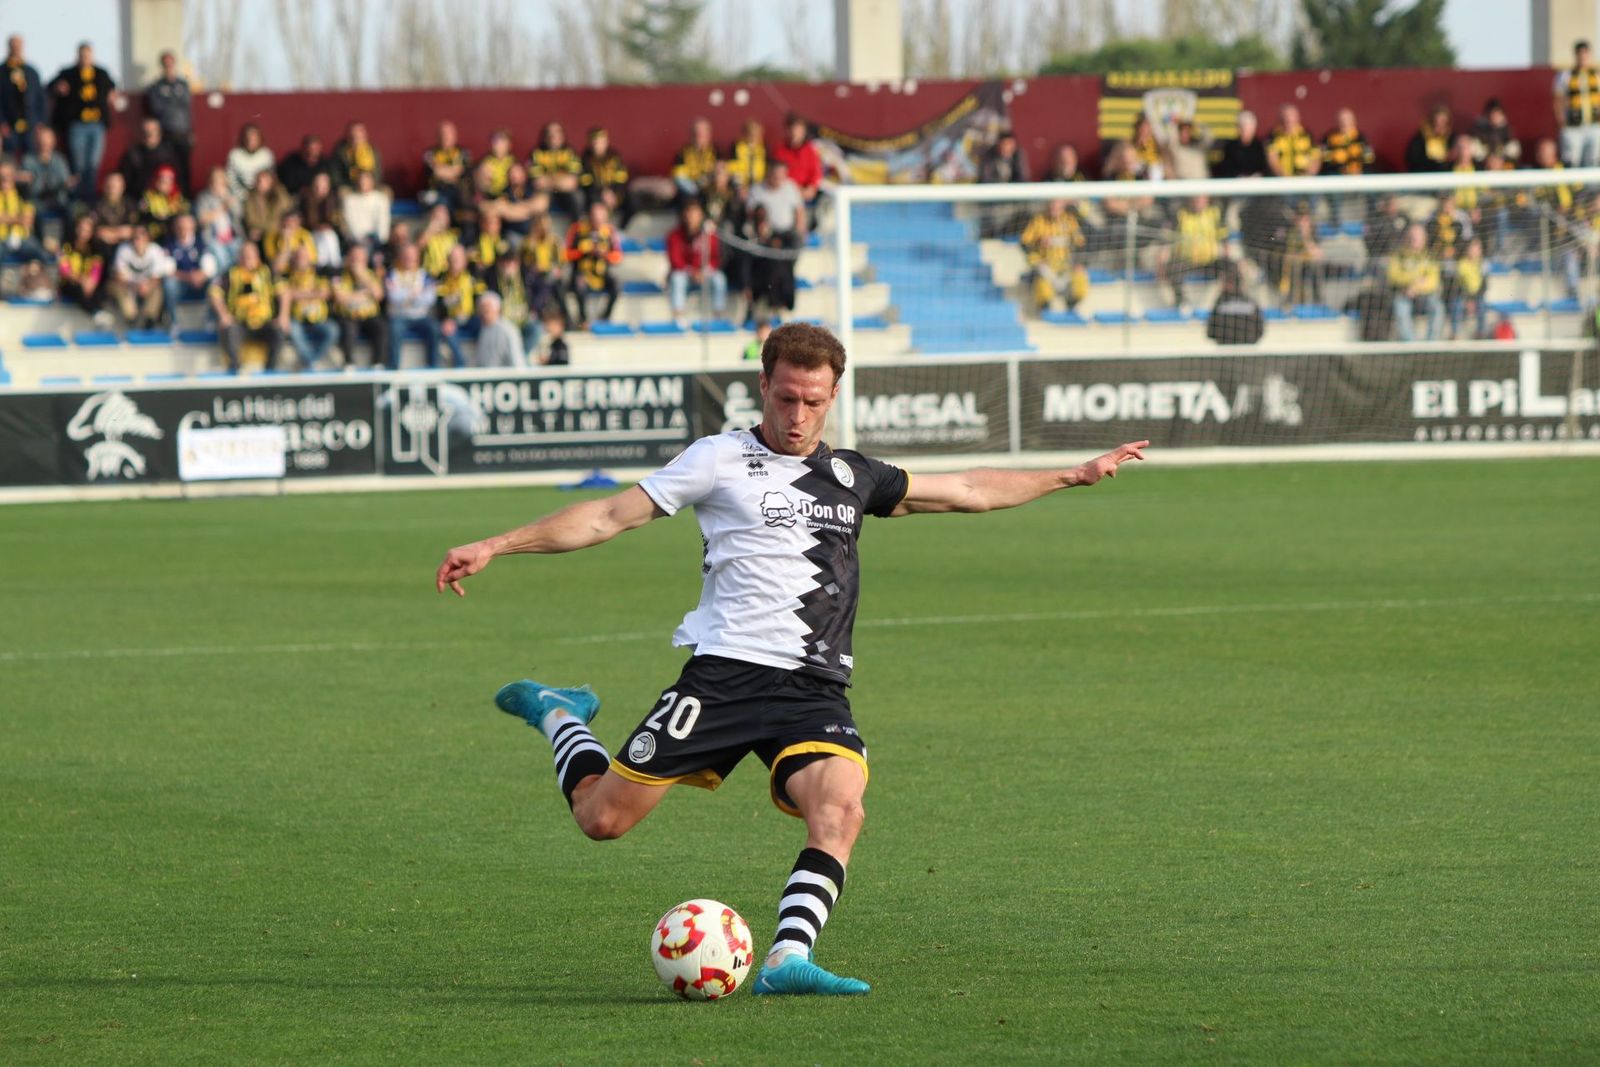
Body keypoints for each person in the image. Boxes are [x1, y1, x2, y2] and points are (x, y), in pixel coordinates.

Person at [431, 322, 1148, 997]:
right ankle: (560, 711)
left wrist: (1072, 474)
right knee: (600, 819)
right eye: (784, 398)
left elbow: (965, 489)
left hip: (813, 687)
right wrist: (498, 543)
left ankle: (787, 957)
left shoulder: (853, 475)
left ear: (833, 395)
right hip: (722, 676)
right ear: (763, 387)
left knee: (841, 807)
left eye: (812, 400)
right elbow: (606, 516)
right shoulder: (718, 458)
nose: (797, 415)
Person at [50, 42, 118, 203]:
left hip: (97, 125)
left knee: (93, 163)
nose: (85, 58)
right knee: (79, 163)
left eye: (88, 55)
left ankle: (90, 197)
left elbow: (112, 87)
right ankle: (78, 197)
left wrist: (112, 94)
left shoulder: (101, 73)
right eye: (82, 55)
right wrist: (58, 88)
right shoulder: (68, 73)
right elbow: (51, 86)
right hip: (77, 124)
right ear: (78, 56)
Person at [208, 241, 281, 371]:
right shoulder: (230, 273)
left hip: (264, 323)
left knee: (279, 330)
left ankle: (271, 369)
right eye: (244, 255)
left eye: (250, 256)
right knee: (228, 329)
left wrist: (283, 316)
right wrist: (223, 315)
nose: (247, 259)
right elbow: (214, 292)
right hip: (240, 323)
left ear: (257, 256)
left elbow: (284, 292)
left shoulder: (267, 272)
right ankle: (235, 369)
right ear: (239, 257)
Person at [1155, 195, 1227, 310]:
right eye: (1195, 198)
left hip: (1209, 261)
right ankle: (1181, 301)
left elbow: (1224, 240)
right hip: (1187, 261)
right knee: (1173, 268)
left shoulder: (1215, 213)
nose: (1197, 201)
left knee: (1232, 266)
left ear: (1207, 199)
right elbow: (1168, 240)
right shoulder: (1180, 214)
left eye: (1201, 198)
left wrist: (1230, 258)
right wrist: (1161, 263)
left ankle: (1229, 300)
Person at [1019, 198, 1088, 314]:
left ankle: (1071, 305)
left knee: (1080, 277)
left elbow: (1080, 243)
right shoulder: (1038, 221)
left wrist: (1079, 263)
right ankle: (1045, 309)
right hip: (1044, 264)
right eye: (1051, 207)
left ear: (1063, 208)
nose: (1054, 211)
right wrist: (1038, 244)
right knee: (1042, 282)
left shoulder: (1069, 220)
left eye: (1057, 208)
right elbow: (1024, 243)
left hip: (1065, 264)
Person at [666, 199, 726, 327]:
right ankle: (677, 318)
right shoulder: (674, 235)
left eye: (694, 213)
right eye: (688, 213)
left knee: (719, 279)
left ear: (701, 215)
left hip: (704, 274)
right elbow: (675, 260)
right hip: (686, 274)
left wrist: (704, 272)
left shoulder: (709, 234)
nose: (691, 217)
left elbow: (715, 258)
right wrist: (692, 272)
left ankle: (718, 319)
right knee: (677, 279)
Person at [563, 200, 622, 327]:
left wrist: (604, 254)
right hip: (582, 271)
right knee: (579, 283)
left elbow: (618, 257)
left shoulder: (610, 231)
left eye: (600, 217)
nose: (597, 220)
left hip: (601, 272)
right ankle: (583, 319)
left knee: (617, 285)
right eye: (594, 216)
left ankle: (605, 317)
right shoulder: (577, 229)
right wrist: (582, 251)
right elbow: (566, 255)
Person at [277, 245, 337, 369]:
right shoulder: (287, 274)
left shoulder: (319, 273)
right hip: (298, 319)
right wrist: (312, 293)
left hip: (318, 319)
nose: (301, 258)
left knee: (333, 330)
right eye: (298, 255)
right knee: (293, 331)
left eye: (304, 255)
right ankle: (311, 363)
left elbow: (325, 293)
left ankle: (311, 361)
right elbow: (285, 294)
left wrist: (296, 293)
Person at [385, 243, 440, 369]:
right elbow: (393, 298)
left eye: (412, 256)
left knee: (434, 329)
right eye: (406, 256)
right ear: (400, 257)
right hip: (399, 316)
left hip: (421, 316)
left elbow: (430, 299)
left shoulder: (425, 275)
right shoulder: (392, 274)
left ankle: (433, 367)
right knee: (394, 330)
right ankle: (393, 368)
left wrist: (405, 295)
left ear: (417, 258)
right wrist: (416, 293)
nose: (409, 259)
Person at [331, 243, 387, 367]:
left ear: (365, 259)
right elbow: (340, 298)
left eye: (359, 257)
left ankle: (378, 363)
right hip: (348, 315)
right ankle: (349, 363)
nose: (356, 261)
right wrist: (365, 294)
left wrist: (362, 276)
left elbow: (378, 295)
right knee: (348, 329)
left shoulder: (371, 274)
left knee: (381, 328)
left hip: (369, 315)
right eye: (353, 257)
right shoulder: (339, 275)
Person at [109, 224, 174, 330]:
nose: (138, 241)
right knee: (119, 289)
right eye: (135, 237)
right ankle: (131, 319)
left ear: (148, 238)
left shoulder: (155, 250)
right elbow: (120, 276)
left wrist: (146, 286)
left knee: (158, 290)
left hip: (148, 286)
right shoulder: (123, 249)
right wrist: (135, 285)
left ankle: (149, 319)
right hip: (128, 285)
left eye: (142, 237)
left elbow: (157, 277)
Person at [143, 51, 192, 190]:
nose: (169, 67)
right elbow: (157, 108)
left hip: (182, 133)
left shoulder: (183, 85)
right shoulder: (156, 86)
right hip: (166, 133)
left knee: (184, 167)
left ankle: (184, 197)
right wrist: (174, 101)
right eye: (166, 64)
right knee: (167, 167)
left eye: (171, 64)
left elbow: (187, 108)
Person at [1388, 223, 1444, 342]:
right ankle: (1411, 345)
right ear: (1407, 238)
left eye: (1418, 237)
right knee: (1400, 307)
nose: (1415, 240)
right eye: (1412, 237)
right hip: (1405, 294)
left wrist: (1415, 288)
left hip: (1425, 296)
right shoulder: (1398, 255)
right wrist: (1415, 280)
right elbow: (1393, 276)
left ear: (1424, 239)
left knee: (1438, 307)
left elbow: (1434, 281)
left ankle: (1431, 344)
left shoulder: (1430, 257)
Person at [1553, 39, 1600, 168]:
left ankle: (1592, 189)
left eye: (1585, 53)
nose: (1583, 56)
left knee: (1594, 160)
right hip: (1573, 126)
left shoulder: (1596, 75)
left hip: (1594, 125)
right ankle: (1572, 188)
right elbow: (1558, 99)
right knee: (1572, 160)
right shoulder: (1565, 75)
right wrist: (1562, 122)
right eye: (1580, 53)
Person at [437, 244, 484, 368]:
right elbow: (439, 303)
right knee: (448, 331)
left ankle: (483, 364)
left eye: (458, 259)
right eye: (452, 259)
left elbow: (480, 297)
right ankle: (460, 365)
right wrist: (445, 319)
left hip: (471, 317)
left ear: (465, 260)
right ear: (447, 260)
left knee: (486, 327)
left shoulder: (473, 277)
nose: (455, 262)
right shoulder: (442, 279)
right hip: (452, 319)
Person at [162, 212, 216, 315]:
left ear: (193, 227)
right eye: (180, 226)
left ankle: (211, 320)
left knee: (215, 283)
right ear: (175, 227)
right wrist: (189, 277)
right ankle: (174, 321)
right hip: (182, 283)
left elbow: (210, 268)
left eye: (186, 226)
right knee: (169, 284)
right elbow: (168, 270)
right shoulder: (169, 244)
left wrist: (199, 276)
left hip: (200, 283)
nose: (183, 230)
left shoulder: (201, 243)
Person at [1, 35, 46, 157]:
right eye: (13, 46)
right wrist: (2, 122)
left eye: (18, 46)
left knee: (30, 157)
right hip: (10, 125)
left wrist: (40, 122)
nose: (16, 49)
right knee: (9, 157)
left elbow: (41, 98)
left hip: (30, 124)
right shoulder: (2, 71)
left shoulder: (31, 72)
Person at [529, 120, 582, 218]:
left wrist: (549, 179)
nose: (553, 136)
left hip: (566, 192)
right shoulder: (536, 153)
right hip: (545, 192)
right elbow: (538, 182)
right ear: (544, 136)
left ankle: (577, 228)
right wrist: (561, 179)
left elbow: (572, 182)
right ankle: (541, 231)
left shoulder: (570, 152)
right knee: (538, 203)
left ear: (562, 135)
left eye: (557, 133)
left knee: (578, 197)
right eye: (549, 133)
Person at [771, 114, 825, 212]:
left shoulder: (810, 150)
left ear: (804, 132)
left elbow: (816, 173)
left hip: (806, 196)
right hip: (785, 195)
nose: (795, 134)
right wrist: (794, 190)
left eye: (799, 130)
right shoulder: (779, 150)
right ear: (787, 130)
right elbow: (777, 175)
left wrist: (811, 188)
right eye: (792, 130)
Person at [20, 125, 74, 219]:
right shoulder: (28, 160)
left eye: (47, 139)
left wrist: (68, 184)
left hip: (58, 201)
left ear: (53, 141)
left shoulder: (59, 160)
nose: (44, 143)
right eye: (42, 139)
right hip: (36, 201)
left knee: (71, 210)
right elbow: (30, 189)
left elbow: (66, 184)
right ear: (37, 141)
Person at [579, 126, 631, 223]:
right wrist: (602, 192)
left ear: (606, 142)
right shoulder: (585, 159)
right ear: (590, 143)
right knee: (592, 202)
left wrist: (613, 193)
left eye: (601, 142)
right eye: (595, 142)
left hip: (614, 194)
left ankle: (622, 228)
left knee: (631, 200)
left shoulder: (614, 157)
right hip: (595, 195)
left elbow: (622, 178)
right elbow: (586, 183)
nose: (598, 145)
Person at [58, 213, 105, 318]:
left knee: (100, 289)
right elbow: (64, 270)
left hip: (87, 284)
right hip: (70, 284)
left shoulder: (95, 249)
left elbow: (96, 271)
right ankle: (95, 313)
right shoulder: (66, 246)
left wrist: (91, 282)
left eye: (87, 231)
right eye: (81, 229)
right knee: (77, 288)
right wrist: (81, 280)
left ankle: (99, 312)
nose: (83, 234)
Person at [194, 166, 241, 272]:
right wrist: (221, 208)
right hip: (213, 239)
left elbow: (239, 214)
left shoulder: (229, 195)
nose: (217, 184)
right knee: (223, 261)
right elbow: (202, 220)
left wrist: (227, 198)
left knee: (239, 257)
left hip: (233, 237)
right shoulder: (203, 198)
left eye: (220, 181)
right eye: (215, 180)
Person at [1206, 261, 1263, 345]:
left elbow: (1210, 332)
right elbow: (1260, 331)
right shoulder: (1251, 302)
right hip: (1248, 353)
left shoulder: (1220, 304)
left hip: (1224, 354)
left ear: (1230, 283)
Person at [421, 120, 471, 212]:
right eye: (442, 133)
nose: (445, 137)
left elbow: (464, 172)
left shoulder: (463, 153)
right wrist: (454, 172)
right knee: (438, 207)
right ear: (437, 136)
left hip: (458, 195)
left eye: (448, 133)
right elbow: (435, 172)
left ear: (455, 135)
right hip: (438, 194)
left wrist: (442, 170)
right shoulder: (430, 154)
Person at [340, 167, 391, 257]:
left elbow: (383, 222)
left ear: (372, 181)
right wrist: (361, 240)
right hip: (357, 241)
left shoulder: (381, 199)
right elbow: (351, 223)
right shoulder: (350, 200)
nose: (362, 182)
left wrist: (380, 240)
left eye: (366, 179)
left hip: (377, 241)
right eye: (360, 179)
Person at [471, 291, 526, 369]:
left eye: (487, 310)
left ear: (497, 309)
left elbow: (517, 361)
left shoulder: (508, 330)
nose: (483, 313)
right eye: (482, 309)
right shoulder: (483, 329)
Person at [1266, 104, 1321, 177]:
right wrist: (1284, 177)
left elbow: (1316, 159)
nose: (1288, 120)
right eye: (1285, 117)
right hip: (1282, 181)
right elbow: (1272, 159)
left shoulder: (1307, 135)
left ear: (1297, 118)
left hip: (1304, 181)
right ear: (1280, 119)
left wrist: (1307, 176)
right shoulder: (1273, 136)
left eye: (1291, 117)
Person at [672, 118, 719, 202]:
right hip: (691, 188)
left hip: (710, 185)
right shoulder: (683, 152)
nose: (698, 135)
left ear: (708, 134)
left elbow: (721, 169)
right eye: (696, 132)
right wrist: (695, 186)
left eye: (702, 132)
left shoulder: (716, 151)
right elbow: (679, 176)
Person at [226, 123, 275, 202]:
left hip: (263, 194)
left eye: (254, 139)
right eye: (248, 138)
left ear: (260, 139)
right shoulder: (234, 155)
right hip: (240, 196)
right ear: (243, 139)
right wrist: (243, 195)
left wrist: (260, 194)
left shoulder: (266, 155)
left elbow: (271, 178)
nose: (251, 142)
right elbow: (231, 179)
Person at [243, 168, 292, 245]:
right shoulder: (251, 198)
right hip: (261, 237)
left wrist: (265, 227)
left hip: (278, 233)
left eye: (262, 181)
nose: (259, 183)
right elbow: (251, 222)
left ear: (271, 181)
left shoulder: (280, 194)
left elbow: (286, 213)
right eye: (257, 180)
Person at [1213, 110, 1267, 179]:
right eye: (1243, 127)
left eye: (1249, 127)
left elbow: (1263, 168)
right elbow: (1227, 169)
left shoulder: (1259, 146)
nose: (1246, 130)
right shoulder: (1230, 147)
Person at [139, 164, 188, 241]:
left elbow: (184, 214)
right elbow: (142, 215)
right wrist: (156, 216)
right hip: (152, 236)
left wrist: (169, 217)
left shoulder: (178, 198)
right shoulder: (149, 196)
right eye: (162, 181)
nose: (165, 184)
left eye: (169, 181)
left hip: (172, 236)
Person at [91, 170, 137, 249]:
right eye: (109, 186)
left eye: (115, 187)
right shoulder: (96, 204)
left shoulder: (129, 204)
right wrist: (119, 232)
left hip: (125, 248)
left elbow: (130, 231)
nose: (112, 190)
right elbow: (98, 232)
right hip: (100, 248)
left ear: (122, 187)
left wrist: (111, 233)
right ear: (104, 186)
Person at [331, 121, 382, 191]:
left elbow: (378, 173)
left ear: (365, 135)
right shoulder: (340, 153)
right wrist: (356, 185)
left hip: (371, 186)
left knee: (387, 191)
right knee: (342, 192)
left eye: (359, 134)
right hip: (350, 186)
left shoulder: (373, 151)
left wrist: (370, 184)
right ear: (348, 136)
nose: (356, 137)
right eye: (353, 135)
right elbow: (336, 178)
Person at [277, 134, 332, 198]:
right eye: (308, 153)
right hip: (294, 196)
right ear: (303, 149)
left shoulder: (324, 163)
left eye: (315, 155)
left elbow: (329, 184)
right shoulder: (291, 161)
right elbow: (287, 184)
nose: (312, 157)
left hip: (320, 197)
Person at [1470, 98, 1521, 164]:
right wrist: (1488, 159)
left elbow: (1513, 152)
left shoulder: (1507, 131)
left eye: (1498, 114)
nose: (1495, 117)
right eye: (1492, 113)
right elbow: (1477, 152)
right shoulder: (1478, 130)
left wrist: (1500, 159)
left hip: (1503, 167)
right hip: (1482, 167)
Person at [1405, 106, 1453, 173]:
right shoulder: (1421, 137)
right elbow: (1413, 157)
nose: (1439, 125)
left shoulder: (1452, 137)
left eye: (1443, 121)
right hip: (1425, 172)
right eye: (1436, 122)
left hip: (1445, 173)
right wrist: (1432, 161)